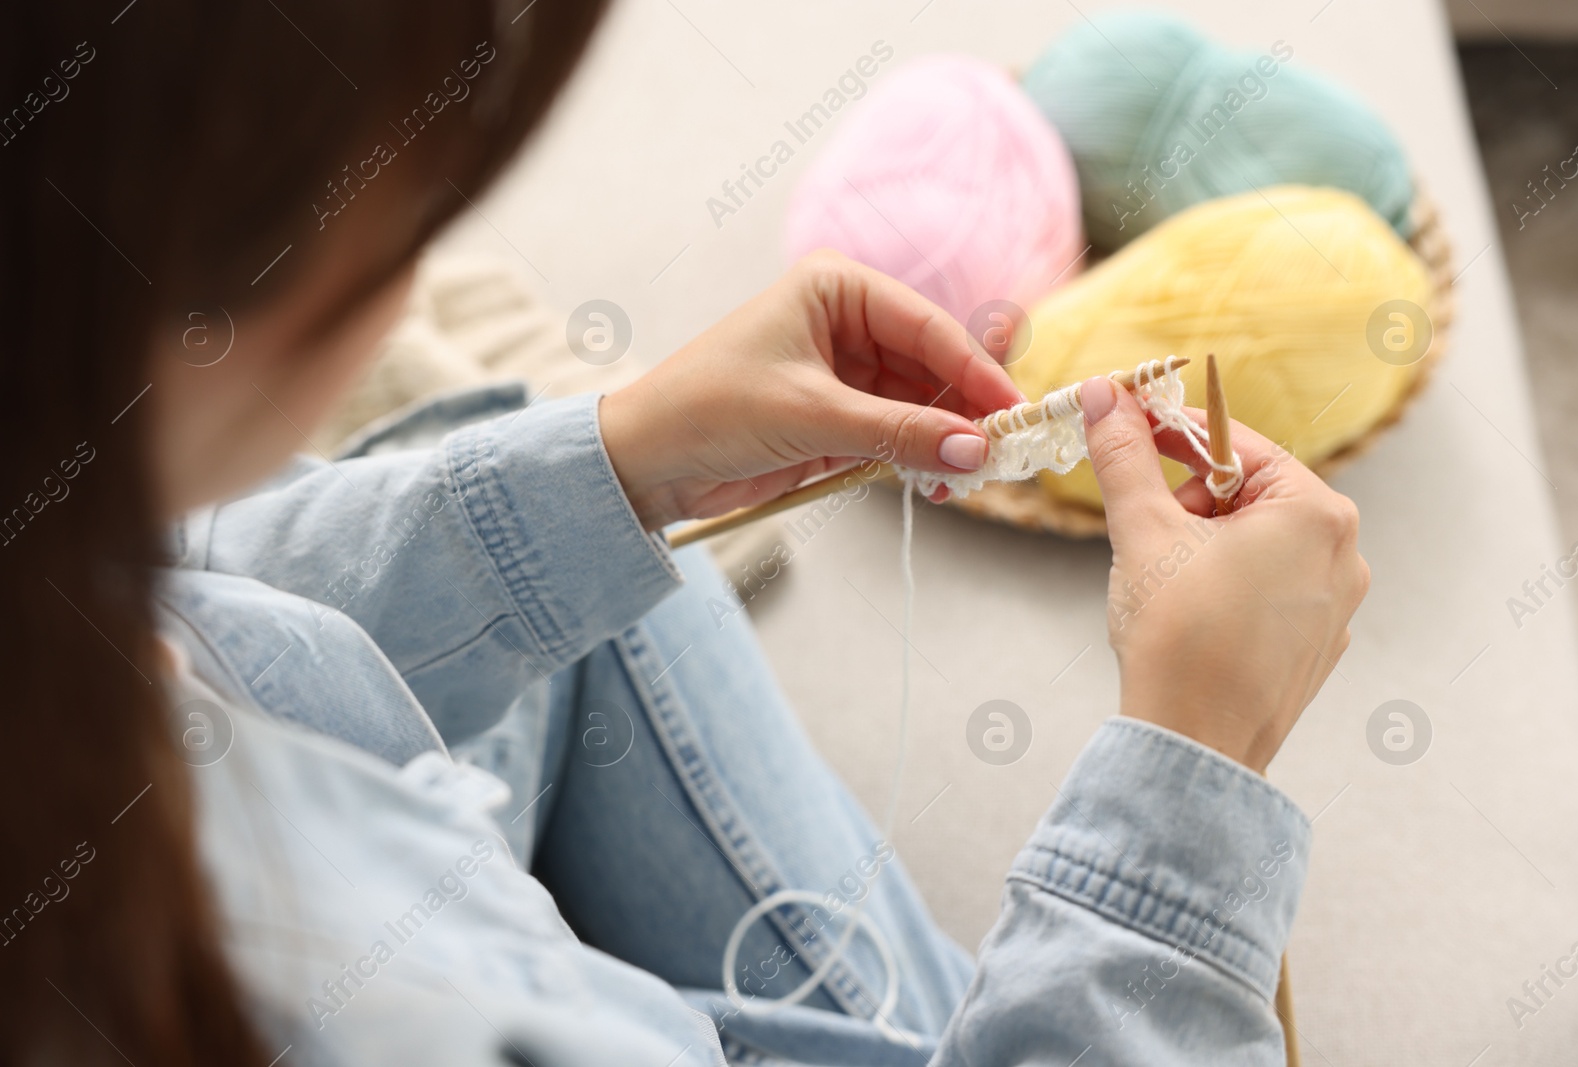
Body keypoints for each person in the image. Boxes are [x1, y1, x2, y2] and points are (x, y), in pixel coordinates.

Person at [0, 2, 1367, 1064]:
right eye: (412, 187)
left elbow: (223, 616)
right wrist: (1190, 776)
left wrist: (625, 457)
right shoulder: (310, 994)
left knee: (569, 533)